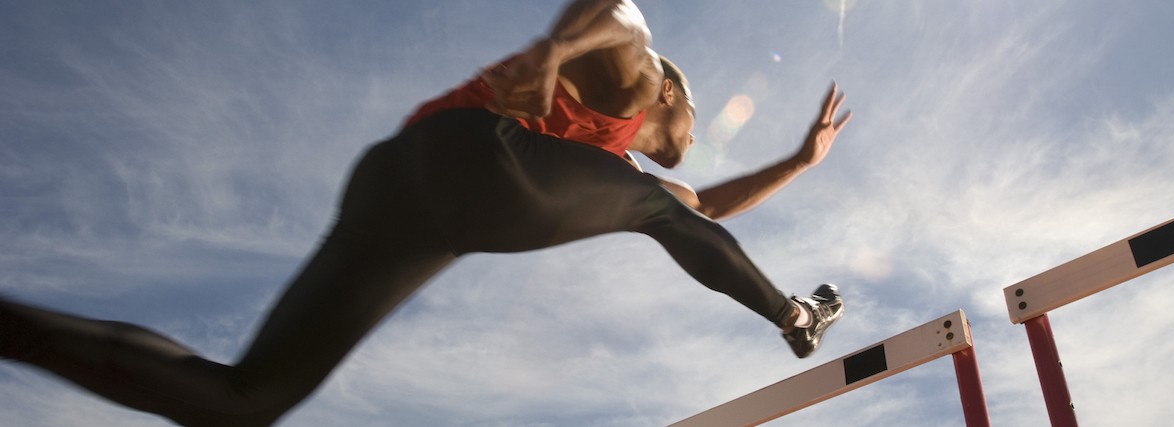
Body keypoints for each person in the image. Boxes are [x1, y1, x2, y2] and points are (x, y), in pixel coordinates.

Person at [0, 1, 852, 425]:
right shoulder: (638, 81)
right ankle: (795, 314)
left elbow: (700, 209)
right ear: (675, 93)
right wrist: (559, 45)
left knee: (245, 399)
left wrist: (799, 162)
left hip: (395, 185)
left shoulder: (604, 160)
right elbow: (615, 13)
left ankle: (13, 329)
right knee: (658, 212)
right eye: (693, 128)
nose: (690, 140)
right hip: (473, 160)